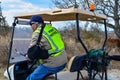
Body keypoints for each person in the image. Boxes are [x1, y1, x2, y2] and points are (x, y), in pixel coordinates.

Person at [25, 15, 68, 80]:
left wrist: (28, 56)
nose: (30, 26)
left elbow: (32, 53)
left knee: (31, 78)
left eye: (31, 24)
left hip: (54, 63)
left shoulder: (37, 33)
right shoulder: (52, 29)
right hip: (64, 60)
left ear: (36, 24)